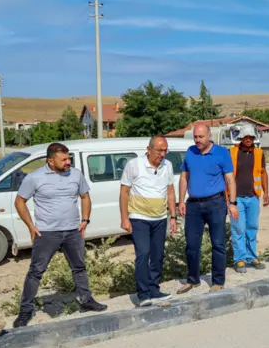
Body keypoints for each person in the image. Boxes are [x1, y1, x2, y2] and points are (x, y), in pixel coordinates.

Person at [13, 143, 107, 327]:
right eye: (63, 159)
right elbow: (19, 202)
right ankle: (25, 311)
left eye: (68, 158)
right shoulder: (34, 177)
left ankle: (86, 300)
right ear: (50, 160)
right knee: (36, 272)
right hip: (47, 233)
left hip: (73, 231)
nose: (68, 162)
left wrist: (85, 220)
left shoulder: (75, 174)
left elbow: (85, 197)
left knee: (79, 268)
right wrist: (31, 227)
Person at [177, 124, 239, 294]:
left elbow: (230, 180)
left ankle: (218, 281)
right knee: (191, 244)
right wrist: (181, 201)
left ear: (209, 136)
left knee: (218, 243)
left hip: (216, 203)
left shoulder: (222, 153)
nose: (197, 140)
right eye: (195, 137)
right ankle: (193, 280)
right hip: (193, 204)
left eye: (201, 137)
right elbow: (184, 178)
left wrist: (232, 203)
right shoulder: (190, 152)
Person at [119, 136, 178, 307]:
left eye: (165, 150)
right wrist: (124, 217)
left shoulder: (167, 165)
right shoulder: (134, 165)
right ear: (149, 149)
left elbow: (170, 191)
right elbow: (124, 192)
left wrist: (172, 216)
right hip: (139, 218)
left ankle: (154, 289)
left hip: (160, 218)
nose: (163, 154)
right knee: (143, 254)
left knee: (158, 255)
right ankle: (143, 294)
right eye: (159, 150)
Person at [226, 124, 268, 273]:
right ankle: (240, 259)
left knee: (252, 228)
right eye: (246, 137)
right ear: (241, 138)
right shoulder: (231, 152)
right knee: (238, 228)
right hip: (236, 198)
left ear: (254, 138)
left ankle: (252, 257)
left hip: (253, 196)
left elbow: (263, 173)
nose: (248, 139)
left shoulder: (259, 153)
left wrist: (266, 192)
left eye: (251, 137)